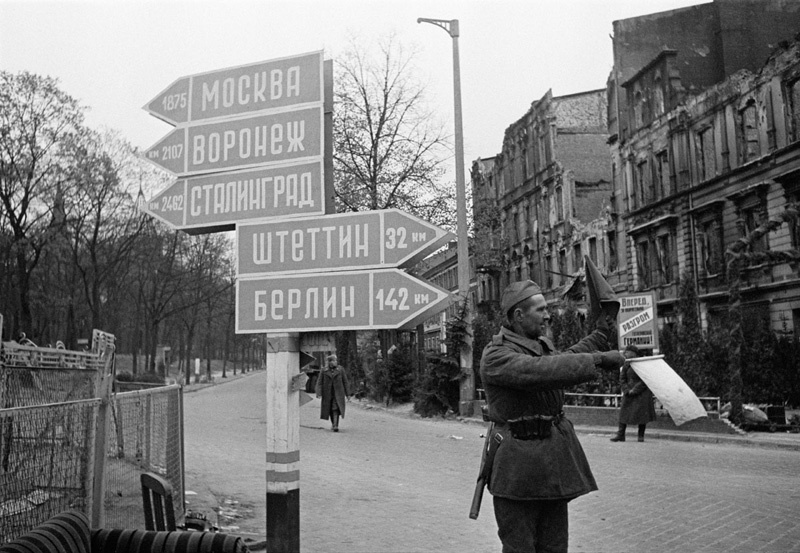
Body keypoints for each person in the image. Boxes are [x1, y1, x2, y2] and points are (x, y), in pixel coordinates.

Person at [479, 280, 625, 553]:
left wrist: (600, 334)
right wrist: (599, 360)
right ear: (519, 315)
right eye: (541, 310)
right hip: (517, 472)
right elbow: (544, 371)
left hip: (550, 468)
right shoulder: (496, 355)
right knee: (520, 549)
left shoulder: (538, 346)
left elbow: (562, 360)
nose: (548, 316)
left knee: (555, 548)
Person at [610, 344, 656, 443]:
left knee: (642, 414)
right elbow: (622, 378)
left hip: (641, 393)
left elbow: (645, 379)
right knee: (623, 413)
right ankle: (620, 434)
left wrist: (634, 390)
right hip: (628, 392)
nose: (625, 353)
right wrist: (626, 389)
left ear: (633, 353)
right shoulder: (627, 364)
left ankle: (640, 436)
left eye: (627, 352)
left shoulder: (642, 363)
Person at [315, 354, 350, 432]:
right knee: (329, 409)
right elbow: (319, 382)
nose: (336, 362)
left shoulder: (340, 370)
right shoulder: (324, 370)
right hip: (327, 393)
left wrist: (348, 394)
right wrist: (319, 392)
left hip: (338, 393)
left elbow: (345, 382)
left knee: (335, 408)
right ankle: (333, 423)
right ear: (330, 362)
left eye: (336, 360)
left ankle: (335, 425)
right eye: (334, 360)